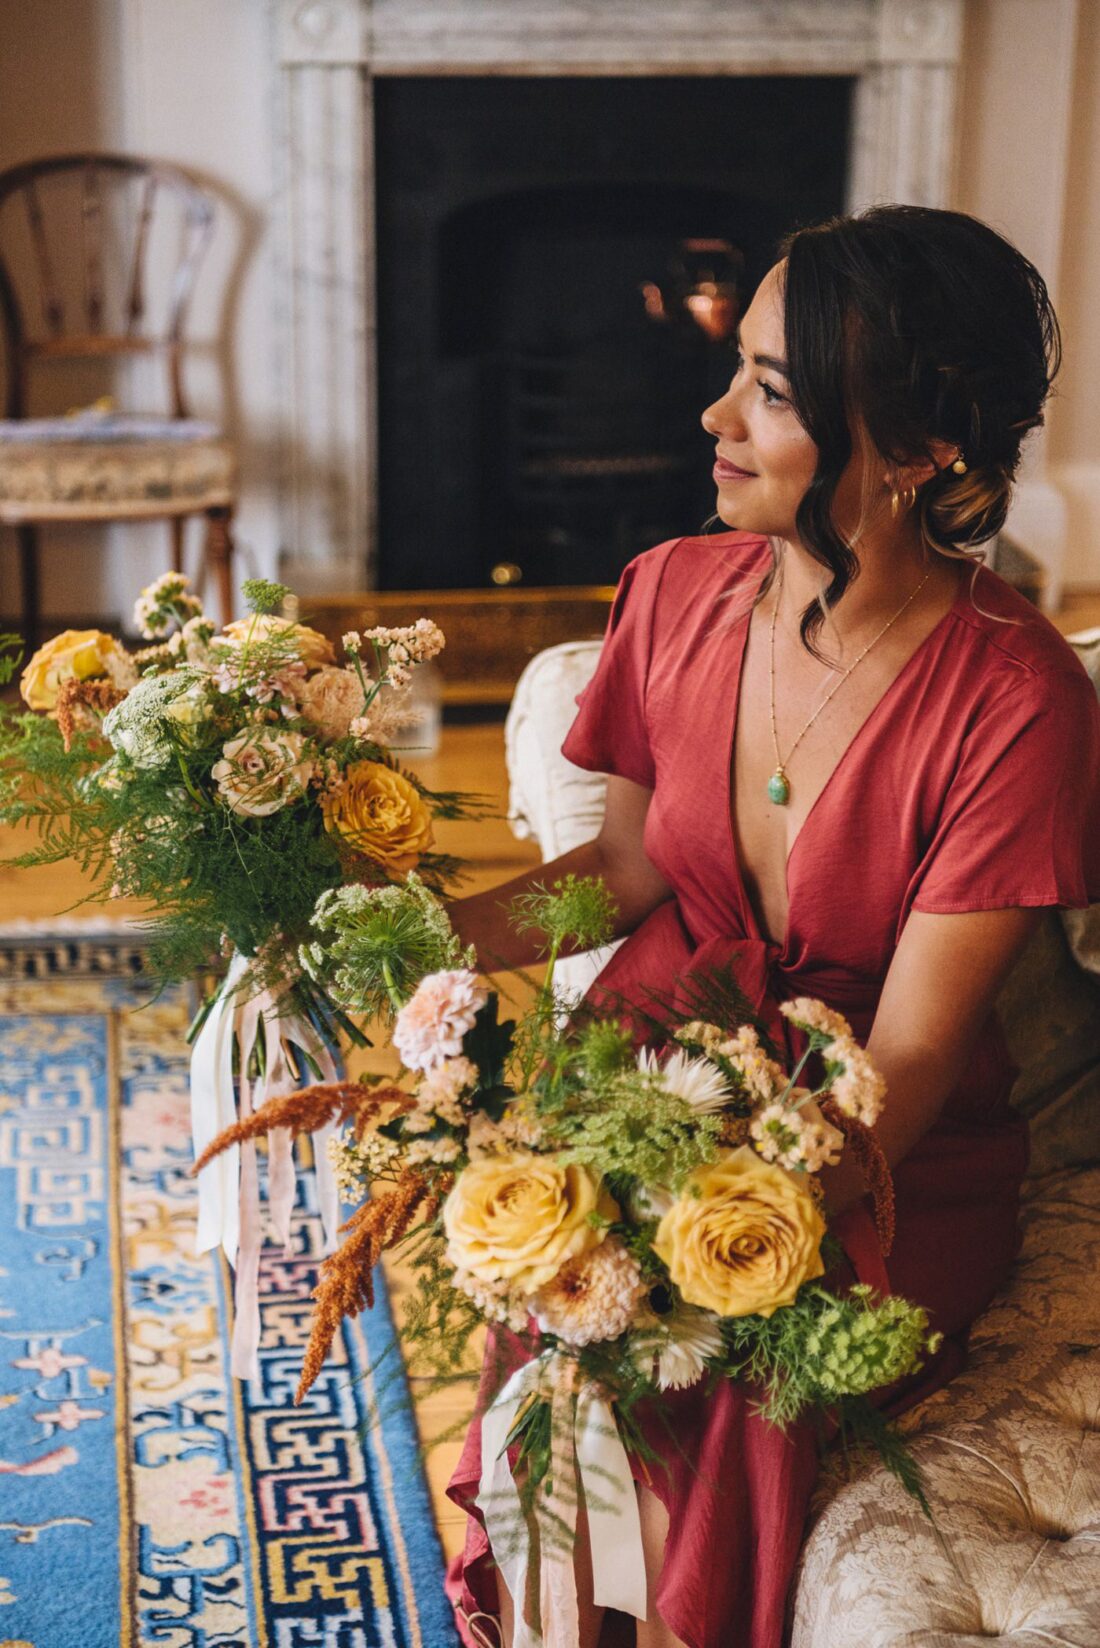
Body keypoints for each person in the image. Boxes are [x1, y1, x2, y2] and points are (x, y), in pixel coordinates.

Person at [443, 205, 1100, 1648]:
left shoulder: (1020, 701)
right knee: (558, 1302)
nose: (713, 412)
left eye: (774, 392)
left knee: (721, 1368)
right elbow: (615, 875)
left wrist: (729, 1213)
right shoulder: (674, 593)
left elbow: (917, 1052)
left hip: (877, 1156)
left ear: (924, 452)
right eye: (737, 366)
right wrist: (426, 930)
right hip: (646, 1077)